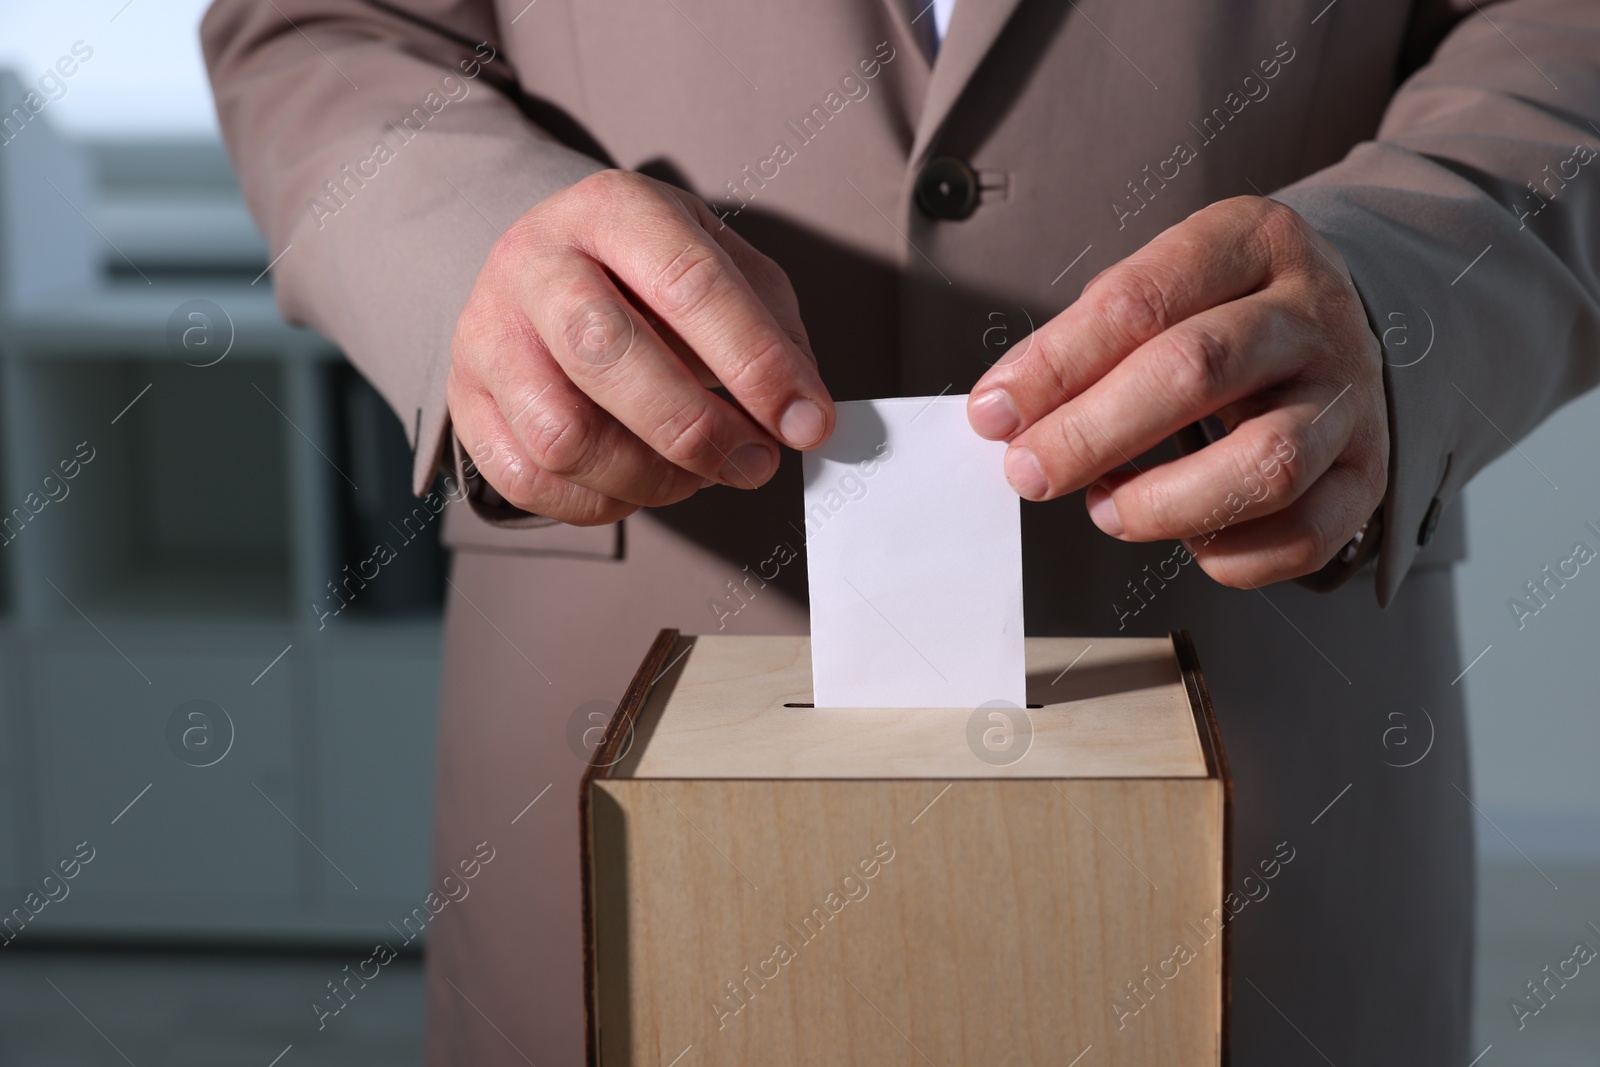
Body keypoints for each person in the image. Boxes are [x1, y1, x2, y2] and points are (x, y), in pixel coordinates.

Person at [202, 1, 1600, 1062]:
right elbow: (317, 28)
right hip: (620, 759)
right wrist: (467, 254)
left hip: (1266, 750)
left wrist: (1403, 279)